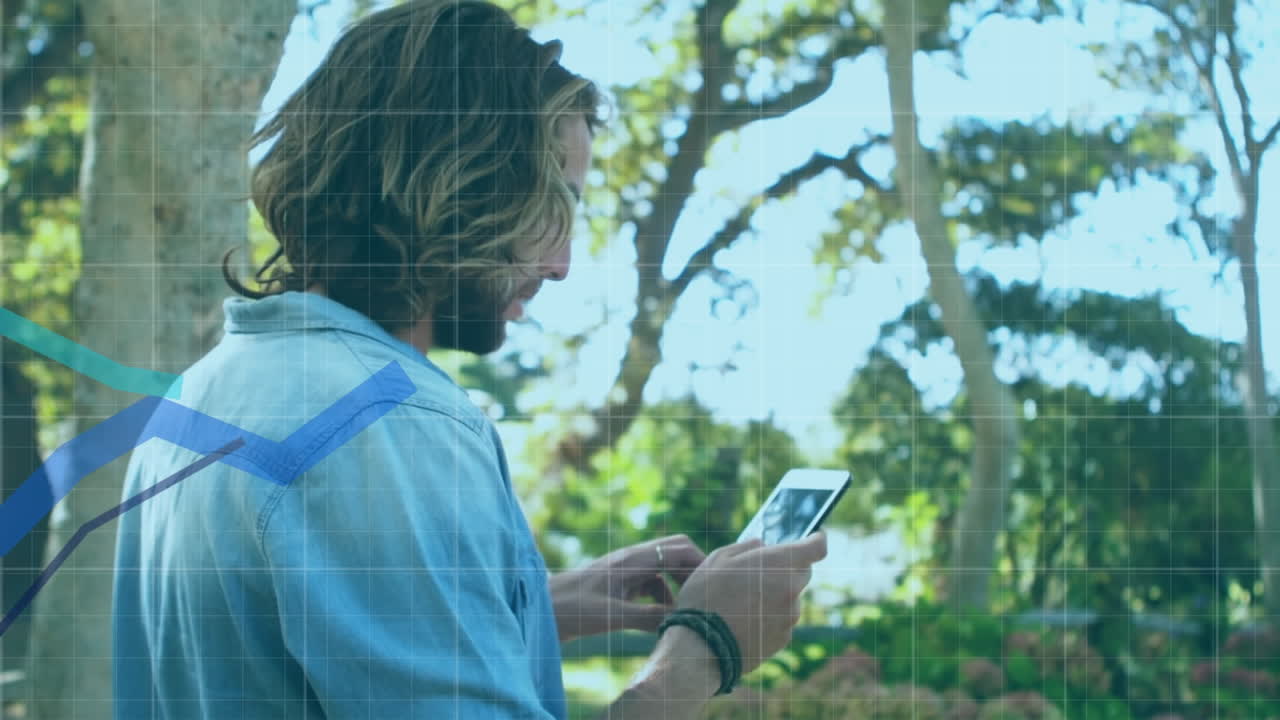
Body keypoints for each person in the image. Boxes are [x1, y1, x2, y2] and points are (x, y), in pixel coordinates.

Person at [111, 1, 828, 718]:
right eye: (556, 201)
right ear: (461, 177)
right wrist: (702, 650)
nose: (561, 264)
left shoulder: (193, 402)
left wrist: (530, 606)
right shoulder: (392, 424)